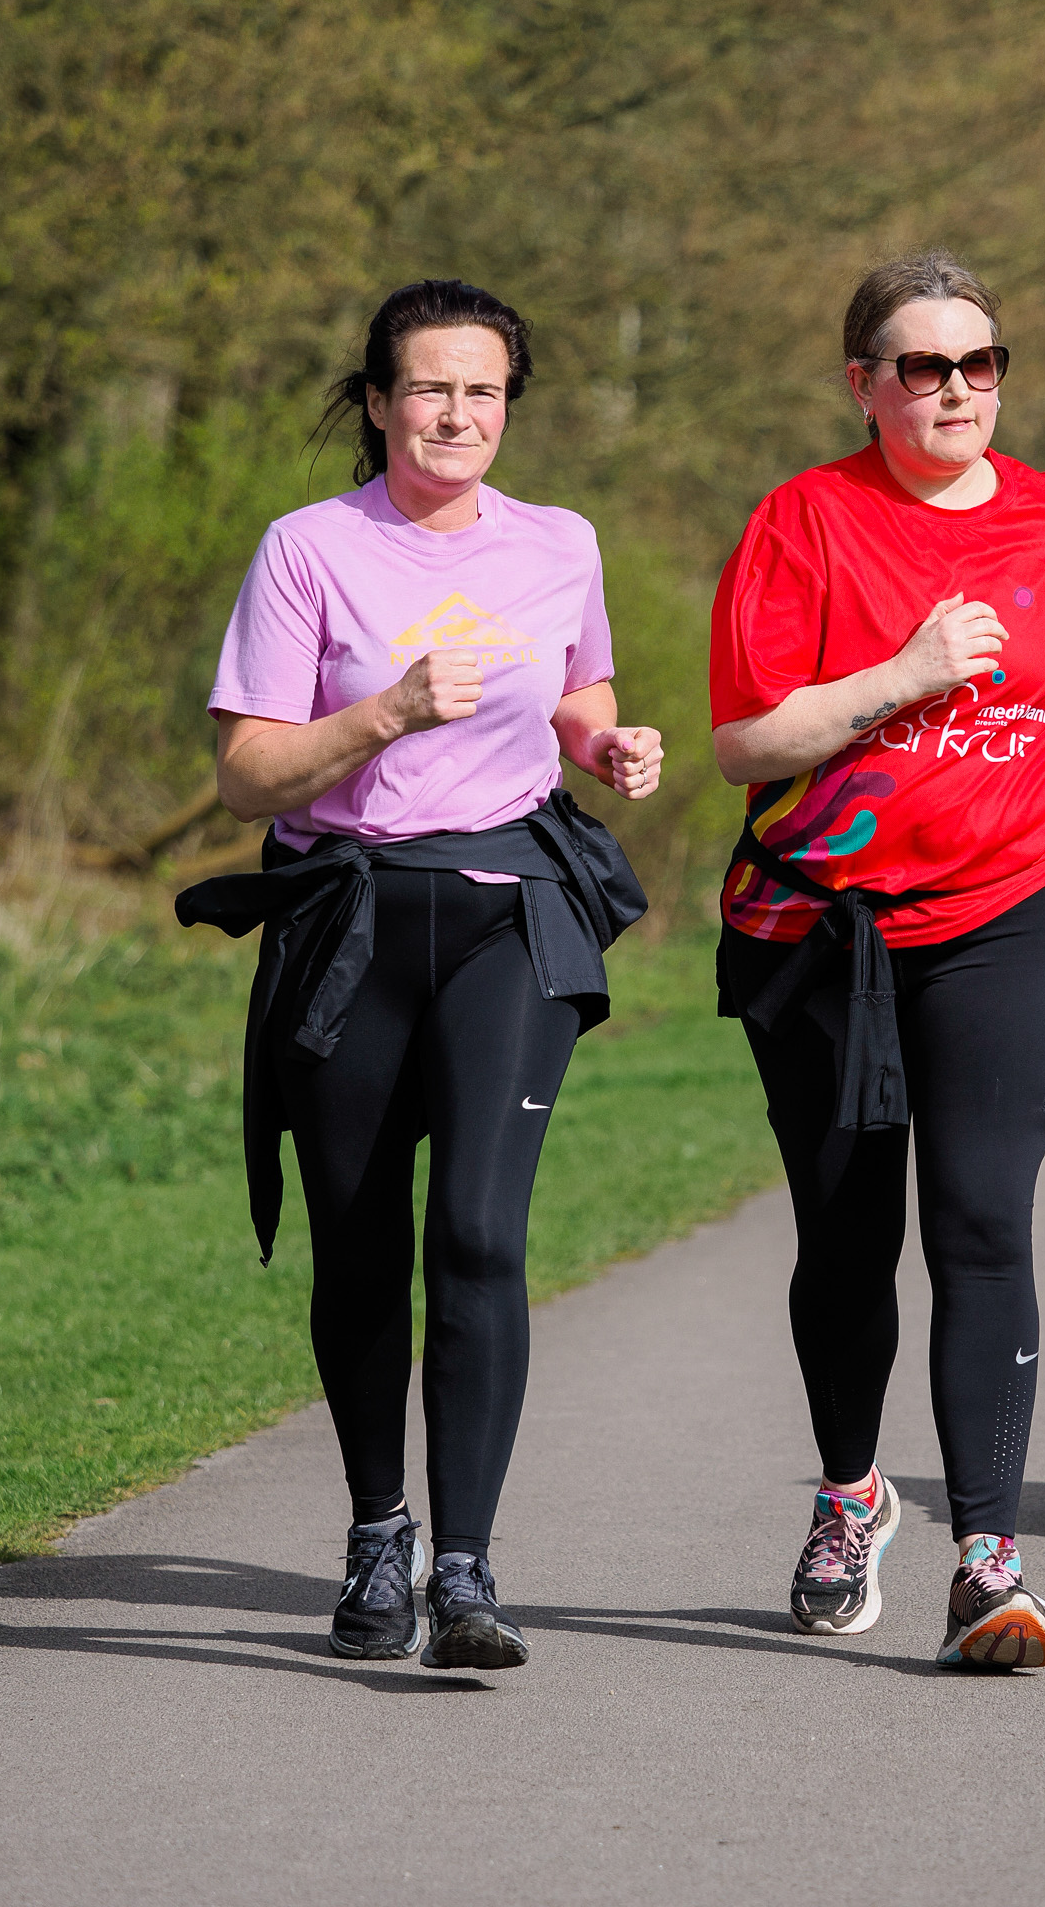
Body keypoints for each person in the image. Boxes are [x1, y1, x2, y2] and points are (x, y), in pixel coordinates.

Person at [177, 279, 662, 1671]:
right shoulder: (310, 549)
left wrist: (605, 746)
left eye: (483, 391)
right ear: (381, 401)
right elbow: (245, 773)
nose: (457, 414)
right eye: (431, 388)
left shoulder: (559, 542)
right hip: (351, 924)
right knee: (361, 1245)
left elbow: (574, 691)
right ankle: (378, 1532)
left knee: (481, 1237)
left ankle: (466, 1569)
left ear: (510, 406)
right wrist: (385, 711)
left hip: (509, 914)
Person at [709, 249, 1045, 1669]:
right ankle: (854, 1496)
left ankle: (990, 1562)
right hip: (826, 927)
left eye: (981, 363)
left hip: (1012, 905)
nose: (958, 388)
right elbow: (746, 742)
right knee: (848, 1241)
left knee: (979, 1218)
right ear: (866, 384)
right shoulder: (806, 521)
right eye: (924, 366)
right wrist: (904, 676)